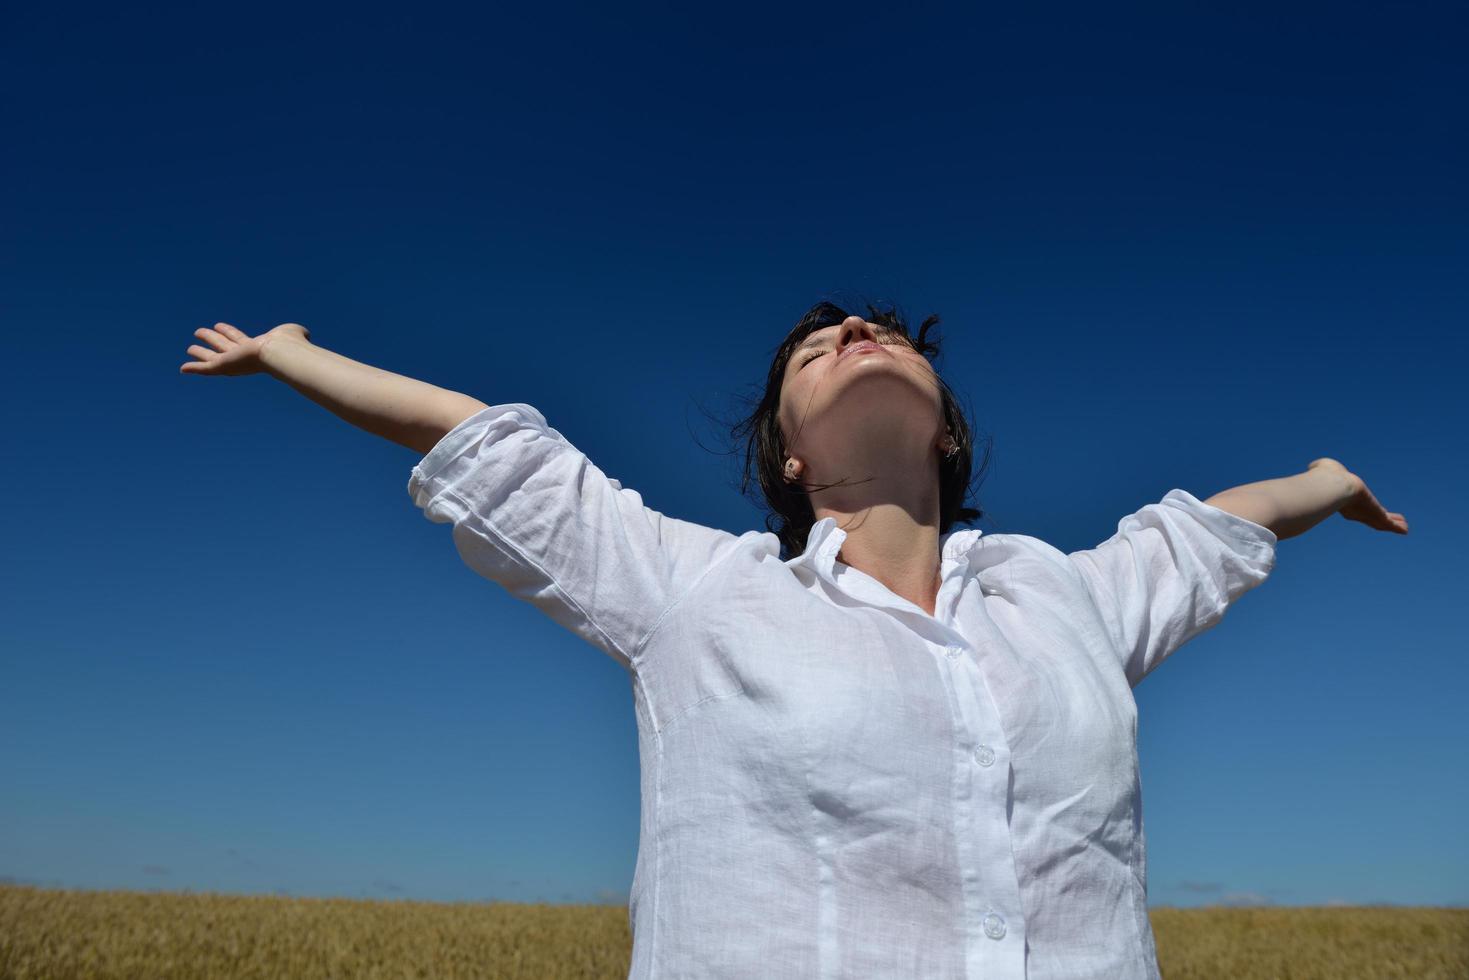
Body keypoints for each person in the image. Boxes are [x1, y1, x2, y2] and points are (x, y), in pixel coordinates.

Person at [180, 302, 1408, 979]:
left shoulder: (1063, 594)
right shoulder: (697, 589)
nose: (854, 333)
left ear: (945, 433)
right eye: (815, 347)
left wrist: (1322, 476)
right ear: (788, 454)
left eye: (882, 329)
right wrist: (288, 355)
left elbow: (1207, 531)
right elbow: (488, 443)